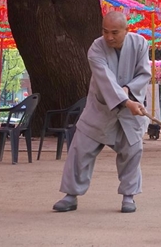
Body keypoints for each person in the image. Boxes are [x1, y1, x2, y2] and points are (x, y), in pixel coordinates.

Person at [53, 11, 151, 213]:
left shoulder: (140, 44)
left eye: (115, 32)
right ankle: (71, 195)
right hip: (100, 109)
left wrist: (130, 91)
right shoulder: (96, 48)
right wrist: (124, 100)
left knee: (132, 152)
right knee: (80, 151)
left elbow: (144, 74)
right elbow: (104, 79)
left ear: (127, 30)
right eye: (105, 31)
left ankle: (129, 197)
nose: (109, 37)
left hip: (129, 111)